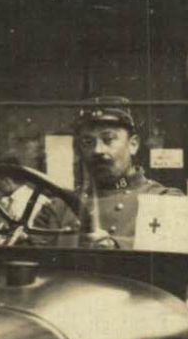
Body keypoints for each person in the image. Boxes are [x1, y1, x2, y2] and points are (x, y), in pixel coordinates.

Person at [69, 99, 179, 245]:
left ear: (133, 145)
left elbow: (173, 254)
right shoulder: (60, 207)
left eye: (108, 139)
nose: (97, 150)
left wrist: (114, 245)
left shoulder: (164, 200)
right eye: (88, 142)